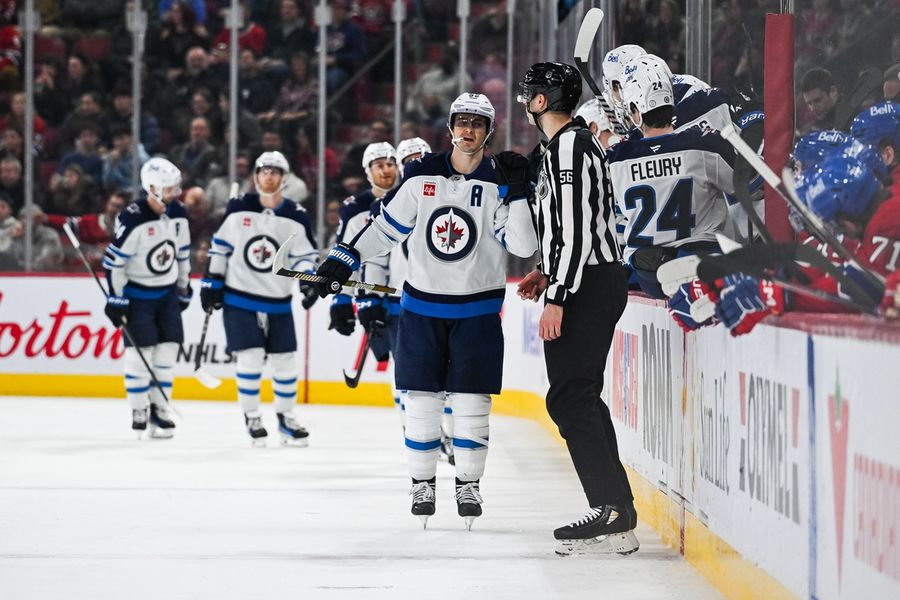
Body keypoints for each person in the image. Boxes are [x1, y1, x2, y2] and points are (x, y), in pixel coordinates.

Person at [312, 93, 538, 529]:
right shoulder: (419, 175)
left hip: (477, 310)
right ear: (450, 126)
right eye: (461, 121)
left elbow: (525, 247)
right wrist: (343, 259)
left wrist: (520, 194)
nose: (468, 129)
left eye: (477, 122)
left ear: (488, 130)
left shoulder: (500, 180)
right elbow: (384, 229)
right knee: (420, 401)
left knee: (472, 402)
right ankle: (422, 482)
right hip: (421, 308)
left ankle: (469, 484)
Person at [514, 62, 636, 556]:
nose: (526, 101)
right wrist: (546, 268)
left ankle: (610, 510)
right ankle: (616, 508)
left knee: (571, 397)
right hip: (584, 278)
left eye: (530, 94)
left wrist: (558, 296)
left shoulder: (569, 146)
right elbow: (569, 226)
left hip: (587, 284)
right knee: (577, 395)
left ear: (542, 101)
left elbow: (580, 227)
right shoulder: (563, 147)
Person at [201, 151, 318, 447]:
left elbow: (305, 256)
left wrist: (307, 282)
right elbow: (221, 247)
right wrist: (212, 281)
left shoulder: (296, 214)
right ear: (255, 176)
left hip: (277, 300)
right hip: (239, 298)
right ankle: (251, 415)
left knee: (285, 362)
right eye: (264, 171)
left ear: (284, 178)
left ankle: (286, 418)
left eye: (275, 171)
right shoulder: (239, 207)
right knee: (250, 359)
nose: (269, 176)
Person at [606, 55, 735, 299]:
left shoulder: (615, 158)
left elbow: (609, 217)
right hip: (700, 258)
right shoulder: (704, 144)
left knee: (633, 252)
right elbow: (749, 189)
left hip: (647, 272)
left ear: (635, 111)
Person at [101, 157, 192, 439]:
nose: (175, 193)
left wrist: (183, 286)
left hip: (165, 295)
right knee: (140, 356)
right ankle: (139, 409)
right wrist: (116, 298)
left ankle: (160, 409)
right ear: (152, 188)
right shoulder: (132, 217)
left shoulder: (178, 212)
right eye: (169, 188)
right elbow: (113, 263)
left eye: (176, 187)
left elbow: (183, 253)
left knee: (167, 353)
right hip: (137, 296)